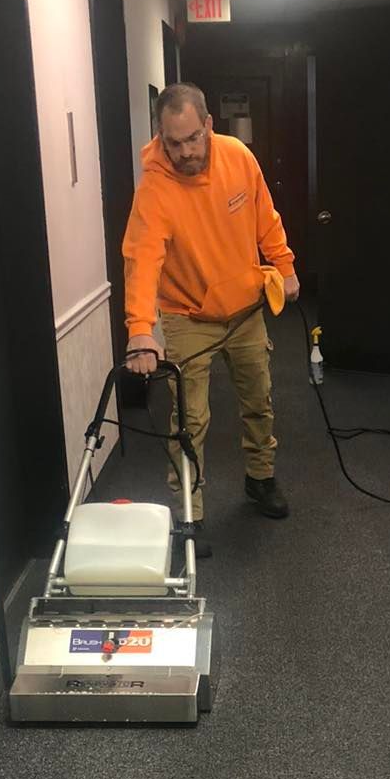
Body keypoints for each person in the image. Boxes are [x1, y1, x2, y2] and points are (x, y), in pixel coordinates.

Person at [122, 82, 299, 532]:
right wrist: (140, 328)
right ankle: (189, 513)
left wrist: (284, 263)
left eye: (192, 139)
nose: (184, 152)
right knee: (191, 418)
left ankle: (260, 479)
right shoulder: (155, 188)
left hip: (244, 309)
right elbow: (142, 259)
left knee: (258, 400)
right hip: (187, 315)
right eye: (173, 143)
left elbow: (265, 214)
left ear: (208, 125)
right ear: (161, 138)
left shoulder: (238, 156)